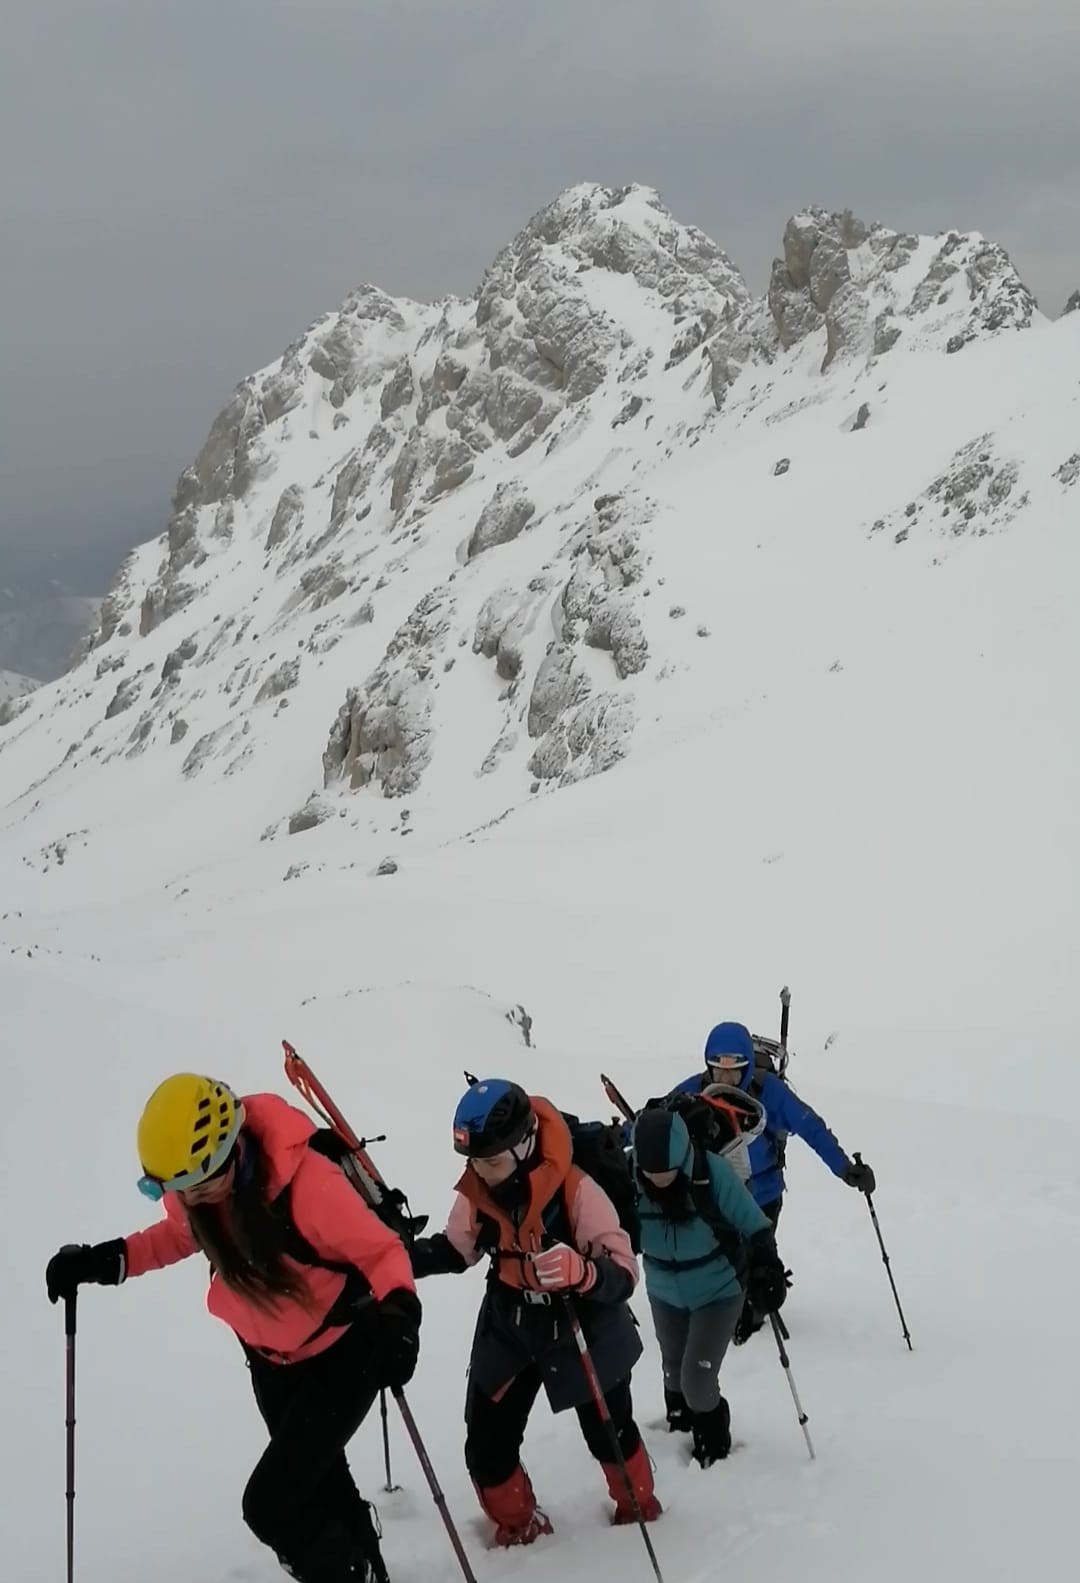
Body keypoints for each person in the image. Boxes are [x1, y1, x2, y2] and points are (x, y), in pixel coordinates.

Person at [45, 1073, 420, 1583]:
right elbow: (180, 1234)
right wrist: (106, 1261)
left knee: (270, 1505)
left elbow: (381, 1252)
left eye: (194, 1187)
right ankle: (366, 1568)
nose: (188, 1199)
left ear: (228, 1153)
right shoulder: (198, 1189)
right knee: (321, 1480)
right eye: (175, 1190)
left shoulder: (309, 1186)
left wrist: (400, 1318)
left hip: (342, 1356)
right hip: (270, 1362)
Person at [409, 1078, 660, 1546]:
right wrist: (394, 1256)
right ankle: (518, 1524)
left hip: (581, 1319)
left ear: (524, 1145)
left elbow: (623, 1271)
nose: (483, 1173)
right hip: (511, 1322)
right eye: (475, 1163)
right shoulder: (479, 1191)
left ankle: (637, 1504)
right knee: (486, 1442)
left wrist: (582, 1271)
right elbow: (456, 1249)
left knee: (609, 1431)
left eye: (494, 1162)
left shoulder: (576, 1189)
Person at [672, 1020, 876, 1339]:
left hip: (762, 1194)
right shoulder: (695, 1091)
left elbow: (810, 1127)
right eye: (718, 1070)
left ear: (749, 1067)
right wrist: (621, 1138)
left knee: (757, 1258)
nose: (725, 1079)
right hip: (712, 1192)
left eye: (734, 1071)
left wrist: (844, 1168)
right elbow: (659, 1119)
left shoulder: (770, 1092)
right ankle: (719, 1306)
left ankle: (754, 1308)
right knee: (718, 1254)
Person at [631, 1104, 788, 1464]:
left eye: (667, 1172)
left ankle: (714, 1447)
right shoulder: (629, 1175)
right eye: (649, 1173)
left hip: (718, 1289)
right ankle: (680, 1429)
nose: (658, 1180)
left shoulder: (712, 1174)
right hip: (663, 1290)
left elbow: (755, 1224)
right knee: (672, 1368)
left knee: (697, 1379)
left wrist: (767, 1265)